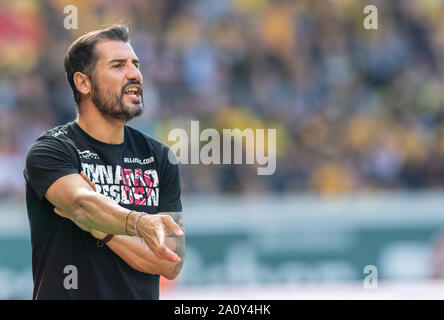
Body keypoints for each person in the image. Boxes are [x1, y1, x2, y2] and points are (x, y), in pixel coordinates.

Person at [23, 24, 185, 300]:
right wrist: (137, 223)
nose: (134, 74)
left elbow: (170, 262)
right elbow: (80, 203)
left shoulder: (159, 157)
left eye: (136, 64)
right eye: (118, 65)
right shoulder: (52, 150)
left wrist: (102, 229)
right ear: (83, 83)